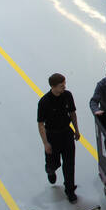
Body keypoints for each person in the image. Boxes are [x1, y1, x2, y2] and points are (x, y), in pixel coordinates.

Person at [37, 73, 81, 202]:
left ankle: (70, 189)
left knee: (69, 163)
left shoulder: (67, 95)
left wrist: (76, 130)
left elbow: (72, 113)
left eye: (64, 84)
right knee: (54, 162)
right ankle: (50, 170)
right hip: (52, 136)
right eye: (61, 85)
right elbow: (40, 124)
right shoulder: (44, 102)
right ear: (53, 87)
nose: (64, 87)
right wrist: (45, 143)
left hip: (66, 133)